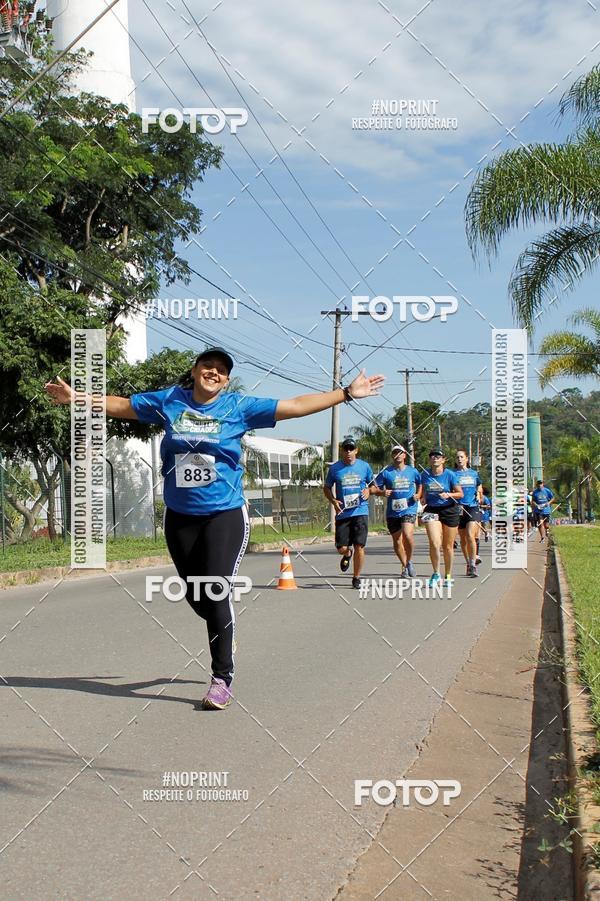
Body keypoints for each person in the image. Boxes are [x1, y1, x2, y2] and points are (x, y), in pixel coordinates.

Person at [45, 349, 384, 710]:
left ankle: (221, 678)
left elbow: (295, 405)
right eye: (208, 366)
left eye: (222, 370)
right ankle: (225, 631)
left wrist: (345, 393)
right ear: (193, 371)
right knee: (196, 596)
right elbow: (123, 405)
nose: (214, 373)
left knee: (216, 590)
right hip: (180, 515)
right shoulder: (169, 401)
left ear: (226, 379)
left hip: (224, 513)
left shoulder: (239, 407)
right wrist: (77, 398)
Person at [324, 437, 374, 589]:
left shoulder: (364, 467)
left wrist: (369, 490)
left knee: (359, 545)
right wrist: (333, 500)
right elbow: (326, 487)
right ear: (342, 451)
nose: (348, 452)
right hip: (343, 513)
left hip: (360, 511)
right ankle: (347, 554)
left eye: (351, 449)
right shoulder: (334, 469)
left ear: (356, 450)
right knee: (341, 548)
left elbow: (373, 486)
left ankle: (356, 577)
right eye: (345, 449)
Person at [372, 443, 422, 578]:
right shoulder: (386, 472)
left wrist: (418, 494)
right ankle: (405, 564)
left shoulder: (412, 471)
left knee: (407, 535)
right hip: (393, 511)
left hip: (409, 508)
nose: (397, 455)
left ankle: (409, 561)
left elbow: (420, 483)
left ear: (405, 455)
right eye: (395, 453)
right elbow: (373, 488)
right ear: (392, 456)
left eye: (400, 453)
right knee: (397, 541)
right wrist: (382, 492)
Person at [420, 448, 463, 587]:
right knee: (434, 542)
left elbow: (460, 494)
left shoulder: (450, 475)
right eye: (432, 456)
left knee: (448, 546)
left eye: (438, 456)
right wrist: (422, 498)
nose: (435, 458)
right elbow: (423, 491)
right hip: (432, 509)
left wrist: (449, 495)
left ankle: (448, 574)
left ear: (443, 459)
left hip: (449, 509)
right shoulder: (425, 474)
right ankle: (436, 573)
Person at [453, 449, 483, 578]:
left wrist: (479, 494)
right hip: (459, 508)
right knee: (463, 539)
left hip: (472, 507)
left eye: (462, 457)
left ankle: (473, 564)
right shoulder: (452, 474)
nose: (459, 459)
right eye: (457, 457)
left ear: (467, 459)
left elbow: (479, 487)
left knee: (471, 535)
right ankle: (468, 563)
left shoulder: (474, 473)